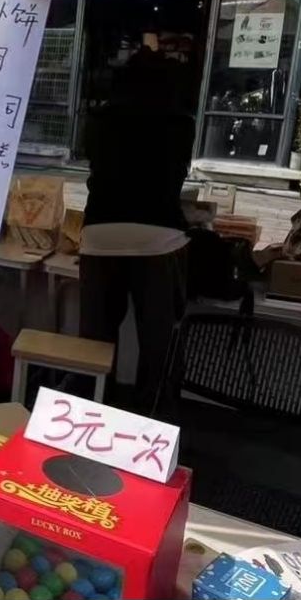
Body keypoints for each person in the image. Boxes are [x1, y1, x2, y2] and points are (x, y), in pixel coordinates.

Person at [80, 48, 195, 414]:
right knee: (158, 344)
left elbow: (96, 167)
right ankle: (153, 418)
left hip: (100, 234)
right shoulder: (181, 123)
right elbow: (174, 178)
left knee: (96, 342)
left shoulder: (98, 119)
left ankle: (93, 411)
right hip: (159, 237)